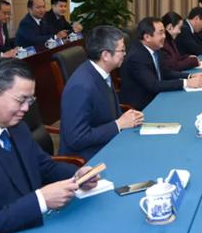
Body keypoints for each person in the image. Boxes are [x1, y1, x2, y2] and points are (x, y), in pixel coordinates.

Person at [0, 58, 98, 233]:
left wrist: (77, 175)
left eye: (30, 101)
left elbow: (45, 166)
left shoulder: (18, 128)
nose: (26, 108)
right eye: (21, 100)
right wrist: (40, 201)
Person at [59, 26, 144, 160]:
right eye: (122, 50)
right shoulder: (81, 87)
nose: (125, 54)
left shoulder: (102, 72)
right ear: (105, 55)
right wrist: (119, 124)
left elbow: (106, 113)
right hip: (88, 158)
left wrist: (126, 118)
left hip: (109, 142)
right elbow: (76, 138)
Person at [120, 17, 202, 111]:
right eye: (160, 33)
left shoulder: (156, 49)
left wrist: (190, 76)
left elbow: (166, 72)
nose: (164, 36)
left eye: (164, 32)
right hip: (142, 106)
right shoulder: (136, 57)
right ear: (147, 37)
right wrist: (186, 83)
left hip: (158, 96)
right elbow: (154, 85)